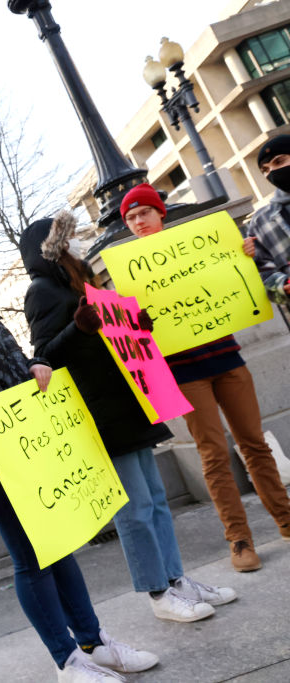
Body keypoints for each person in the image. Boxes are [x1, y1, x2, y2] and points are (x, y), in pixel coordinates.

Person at [0, 242, 158, 682]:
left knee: (57, 544)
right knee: (29, 558)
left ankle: (93, 641)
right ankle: (66, 660)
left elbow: (10, 366)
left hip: (26, 442)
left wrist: (34, 363)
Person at [22, 210, 235, 623]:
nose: (72, 245)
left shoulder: (78, 279)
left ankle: (175, 579)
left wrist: (134, 327)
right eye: (61, 240)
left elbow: (105, 331)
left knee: (155, 500)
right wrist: (80, 329)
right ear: (46, 248)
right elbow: (44, 355)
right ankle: (158, 593)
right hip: (101, 410)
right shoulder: (42, 290)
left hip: (126, 400)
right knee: (134, 508)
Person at [120, 182, 290, 572]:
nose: (137, 222)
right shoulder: (127, 269)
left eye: (143, 212)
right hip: (184, 372)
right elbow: (130, 334)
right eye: (130, 218)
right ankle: (239, 539)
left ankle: (285, 519)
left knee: (255, 444)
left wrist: (243, 255)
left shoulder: (198, 244)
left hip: (226, 359)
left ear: (159, 212)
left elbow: (236, 280)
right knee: (212, 455)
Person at [246, 134, 290, 303]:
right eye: (265, 169)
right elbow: (263, 275)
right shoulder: (261, 221)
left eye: (279, 162)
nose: (272, 172)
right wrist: (283, 286)